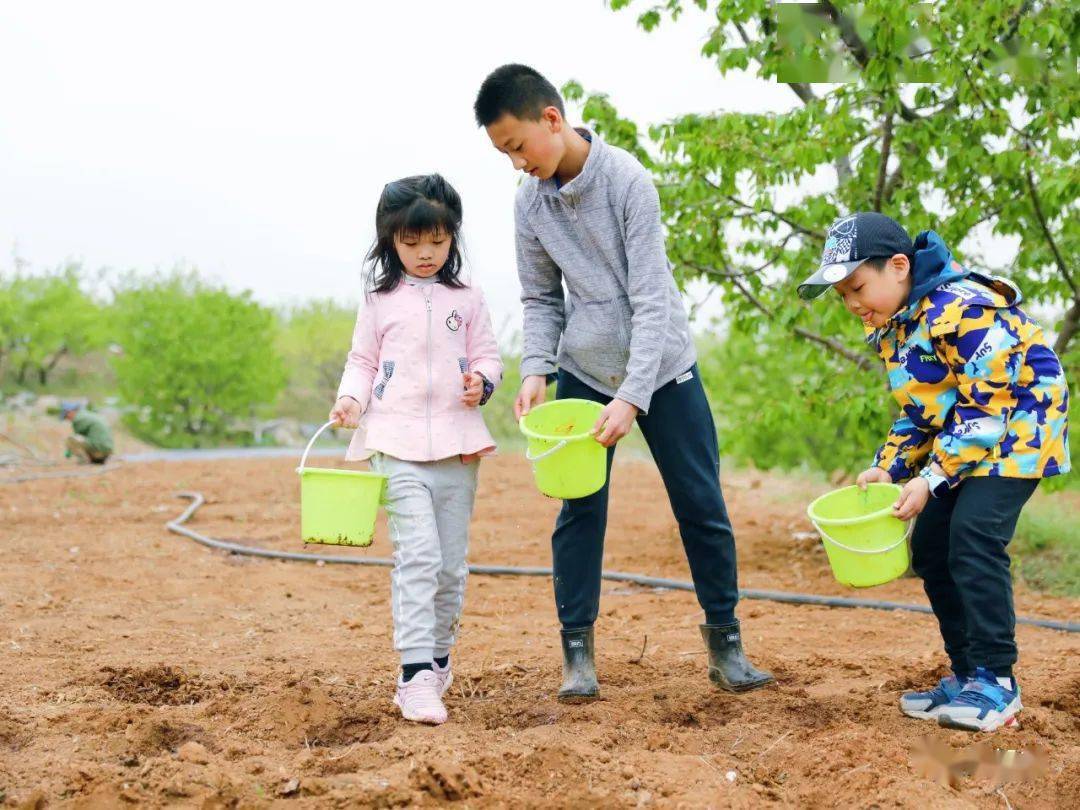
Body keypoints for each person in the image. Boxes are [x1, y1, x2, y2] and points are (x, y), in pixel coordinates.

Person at [474, 64, 773, 702]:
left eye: (518, 146)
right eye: (504, 154)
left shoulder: (628, 180)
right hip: (584, 369)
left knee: (701, 504)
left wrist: (633, 396)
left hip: (661, 369)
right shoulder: (529, 202)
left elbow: (651, 298)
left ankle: (726, 643)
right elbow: (539, 297)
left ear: (550, 120)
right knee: (579, 508)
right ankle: (577, 653)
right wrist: (536, 369)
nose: (516, 163)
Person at [798, 211, 1070, 732]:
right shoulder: (895, 325)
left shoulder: (963, 309)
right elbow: (924, 408)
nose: (853, 303)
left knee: (972, 537)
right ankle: (969, 676)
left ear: (898, 266)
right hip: (966, 437)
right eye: (843, 296)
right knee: (930, 549)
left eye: (857, 287)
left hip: (1019, 429)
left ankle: (998, 681)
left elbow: (986, 410)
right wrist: (889, 467)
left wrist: (928, 477)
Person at [330, 174, 503, 725]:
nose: (425, 254)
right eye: (410, 243)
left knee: (451, 568)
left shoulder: (468, 297)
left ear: (453, 236)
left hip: (457, 446)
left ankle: (439, 660)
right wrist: (351, 401)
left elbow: (489, 356)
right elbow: (362, 362)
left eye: (436, 241)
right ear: (390, 242)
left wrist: (482, 380)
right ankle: (414, 677)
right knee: (419, 557)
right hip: (395, 442)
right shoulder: (379, 301)